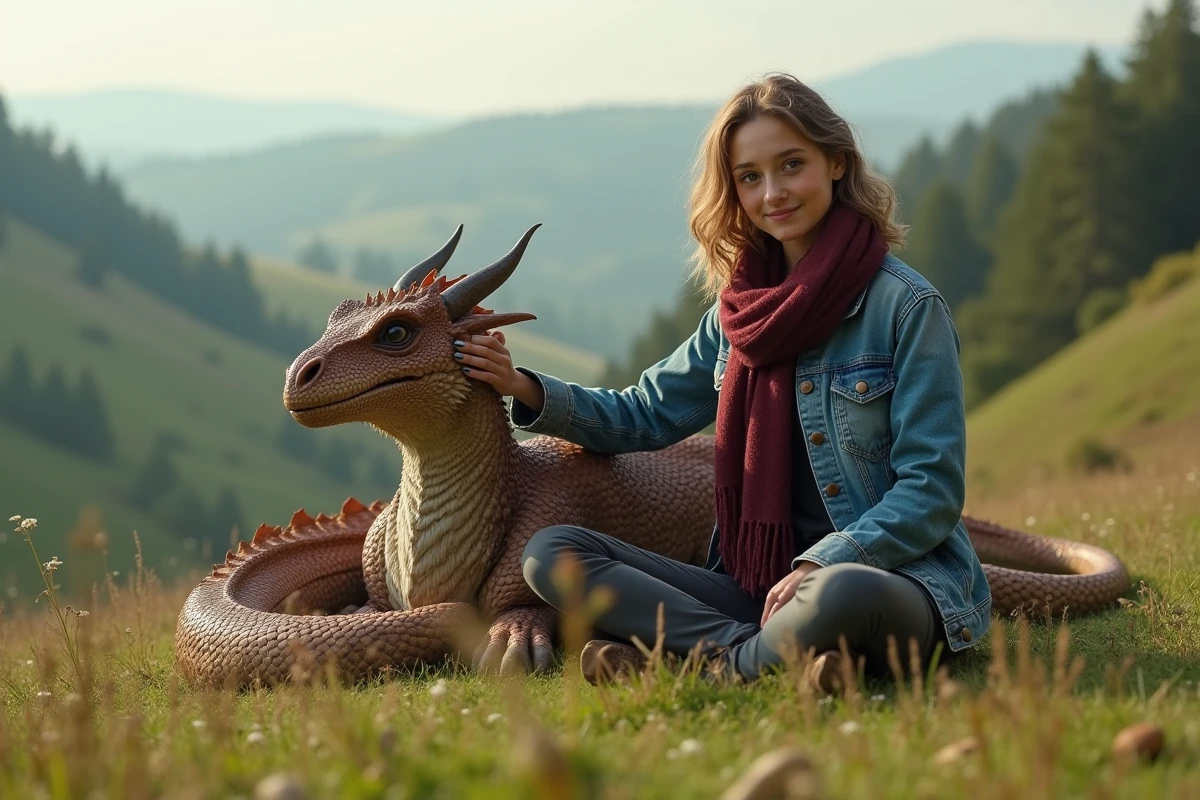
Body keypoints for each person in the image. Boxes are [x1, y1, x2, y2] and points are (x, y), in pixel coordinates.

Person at [451, 72, 992, 691]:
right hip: (756, 587)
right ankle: (762, 654)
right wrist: (523, 386)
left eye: (792, 165)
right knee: (552, 553)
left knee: (839, 594)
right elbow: (644, 413)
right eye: (750, 177)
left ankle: (716, 666)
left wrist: (825, 559)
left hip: (889, 581)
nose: (773, 193)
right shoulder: (737, 316)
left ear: (837, 162)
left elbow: (931, 490)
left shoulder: (906, 308)